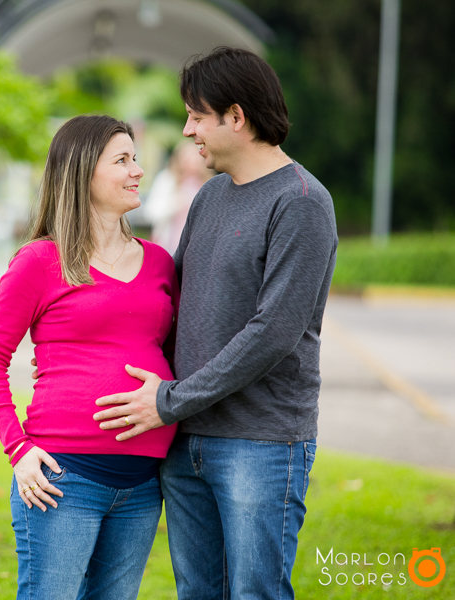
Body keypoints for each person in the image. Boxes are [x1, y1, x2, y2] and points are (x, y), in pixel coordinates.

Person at [91, 47, 338, 599]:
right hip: (187, 442)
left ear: (236, 116)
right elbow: (169, 304)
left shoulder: (301, 203)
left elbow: (273, 331)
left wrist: (171, 400)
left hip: (260, 444)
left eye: (197, 116)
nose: (187, 130)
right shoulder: (209, 197)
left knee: (255, 593)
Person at [0, 114, 180, 600]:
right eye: (123, 160)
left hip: (143, 485)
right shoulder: (40, 261)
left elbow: (172, 355)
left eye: (136, 159)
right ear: (84, 171)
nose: (138, 171)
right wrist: (17, 450)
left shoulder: (159, 262)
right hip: (64, 480)